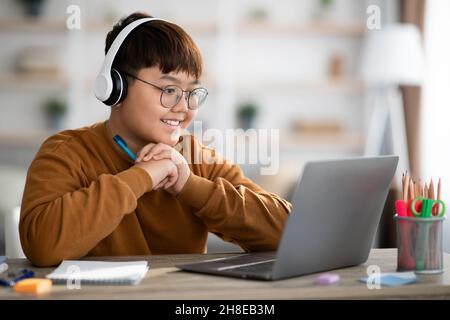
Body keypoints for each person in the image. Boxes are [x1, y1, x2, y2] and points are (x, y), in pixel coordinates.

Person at [19, 12, 292, 267]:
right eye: (169, 89)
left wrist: (189, 185)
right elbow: (43, 246)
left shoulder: (195, 156)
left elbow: (290, 231)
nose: (184, 106)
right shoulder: (66, 153)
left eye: (192, 92)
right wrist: (143, 176)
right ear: (116, 88)